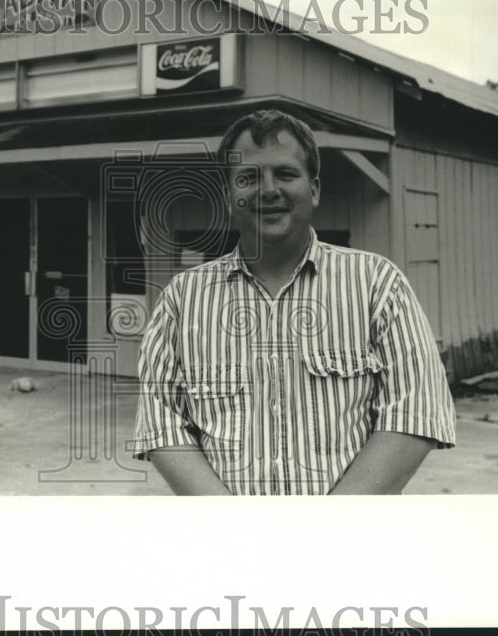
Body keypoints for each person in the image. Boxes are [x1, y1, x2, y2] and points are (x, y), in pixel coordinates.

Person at [132, 109, 455, 495]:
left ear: (314, 189)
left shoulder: (378, 286)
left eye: (285, 174)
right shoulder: (181, 301)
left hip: (347, 544)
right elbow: (162, 424)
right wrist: (234, 528)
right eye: (248, 177)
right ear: (227, 195)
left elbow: (415, 414)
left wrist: (324, 530)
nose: (267, 190)